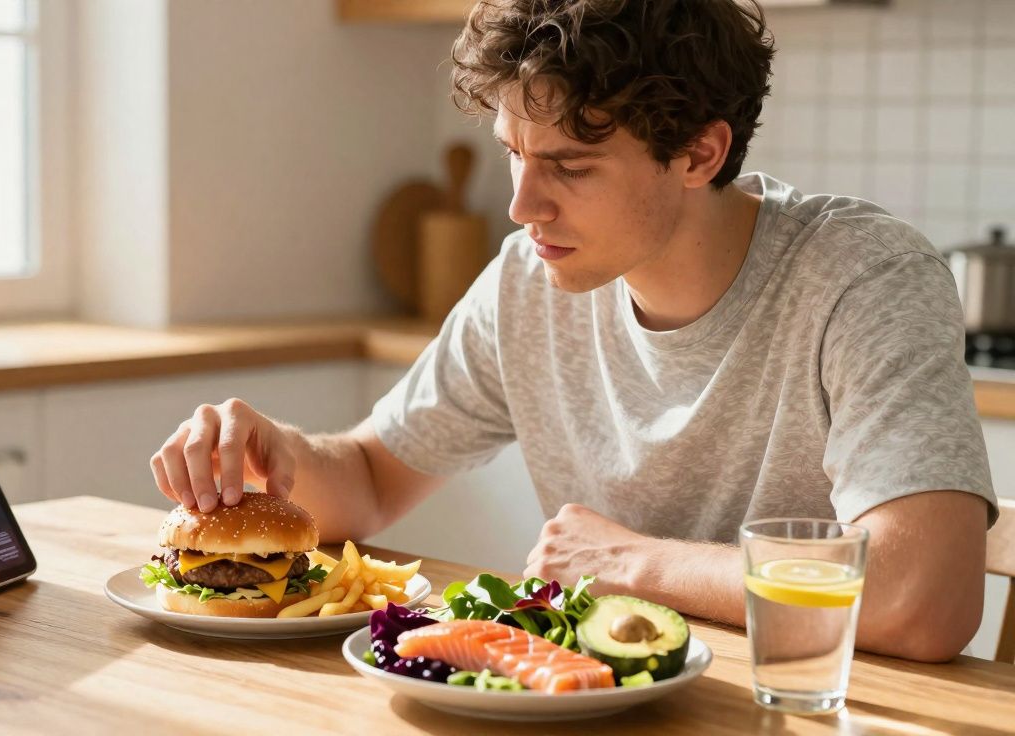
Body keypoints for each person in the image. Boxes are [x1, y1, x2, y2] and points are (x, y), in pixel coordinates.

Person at [150, 0, 997, 662]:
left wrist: (634, 565)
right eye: (515, 154)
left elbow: (922, 599)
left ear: (701, 154)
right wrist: (279, 459)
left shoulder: (862, 277)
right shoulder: (531, 279)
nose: (521, 207)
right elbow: (371, 480)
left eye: (569, 166)